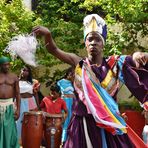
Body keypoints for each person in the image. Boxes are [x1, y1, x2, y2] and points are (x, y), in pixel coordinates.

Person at [32, 14, 148, 148]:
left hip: (109, 125)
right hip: (82, 124)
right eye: (90, 39)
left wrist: (139, 55)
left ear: (103, 43)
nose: (93, 42)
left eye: (97, 39)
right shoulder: (78, 63)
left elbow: (138, 62)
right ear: (85, 43)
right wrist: (47, 35)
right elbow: (53, 49)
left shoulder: (115, 64)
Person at [0, 56, 20, 148]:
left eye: (8, 64)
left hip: (9, 105)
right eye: (4, 65)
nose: (7, 66)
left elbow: (18, 94)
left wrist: (18, 110)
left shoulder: (14, 77)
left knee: (9, 129)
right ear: (1, 65)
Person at [16, 65, 40, 144]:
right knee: (19, 121)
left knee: (30, 121)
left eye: (26, 70)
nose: (24, 72)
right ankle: (19, 141)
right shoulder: (16, 81)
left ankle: (28, 140)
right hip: (19, 102)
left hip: (30, 102)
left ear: (29, 73)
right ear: (20, 71)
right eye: (23, 70)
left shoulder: (33, 82)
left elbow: (36, 94)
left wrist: (38, 106)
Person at [57, 67, 75, 145]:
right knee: (64, 120)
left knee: (72, 120)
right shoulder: (60, 82)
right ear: (68, 74)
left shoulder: (74, 83)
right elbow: (57, 94)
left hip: (73, 103)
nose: (72, 76)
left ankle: (71, 140)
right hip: (64, 102)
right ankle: (63, 140)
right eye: (71, 74)